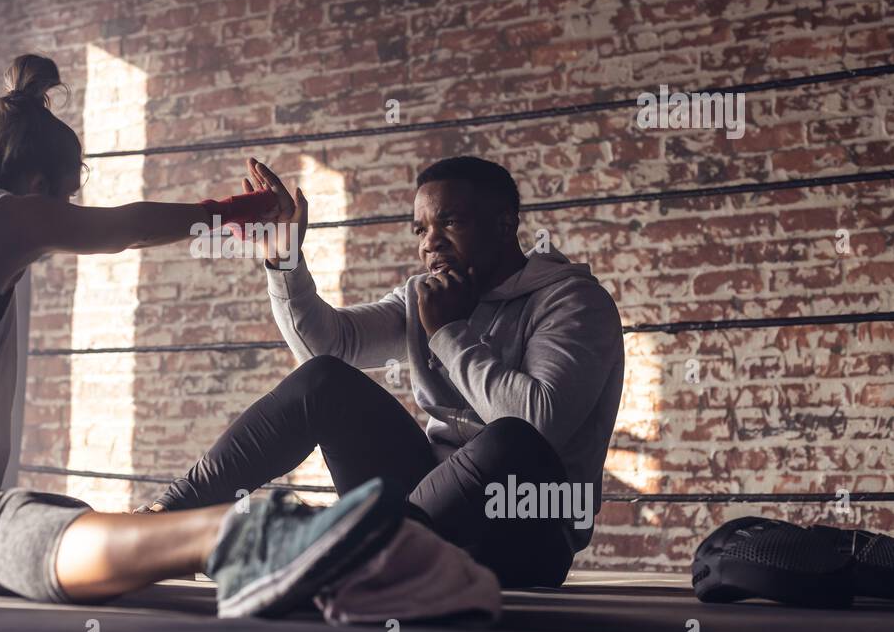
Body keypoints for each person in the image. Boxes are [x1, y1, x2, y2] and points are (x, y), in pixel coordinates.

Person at [0, 54, 403, 619]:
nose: (62, 219)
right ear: (36, 188)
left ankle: (212, 537)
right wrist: (236, 213)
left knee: (56, 513)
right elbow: (122, 228)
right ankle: (244, 538)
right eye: (64, 198)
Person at [145, 156, 626, 587]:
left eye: (450, 222)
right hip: (422, 511)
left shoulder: (572, 301)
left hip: (523, 530)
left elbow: (537, 424)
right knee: (325, 379)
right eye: (420, 229)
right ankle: (166, 523)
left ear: (504, 225)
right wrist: (283, 259)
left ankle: (329, 548)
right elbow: (329, 344)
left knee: (508, 441)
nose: (430, 242)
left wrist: (449, 333)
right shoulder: (429, 294)